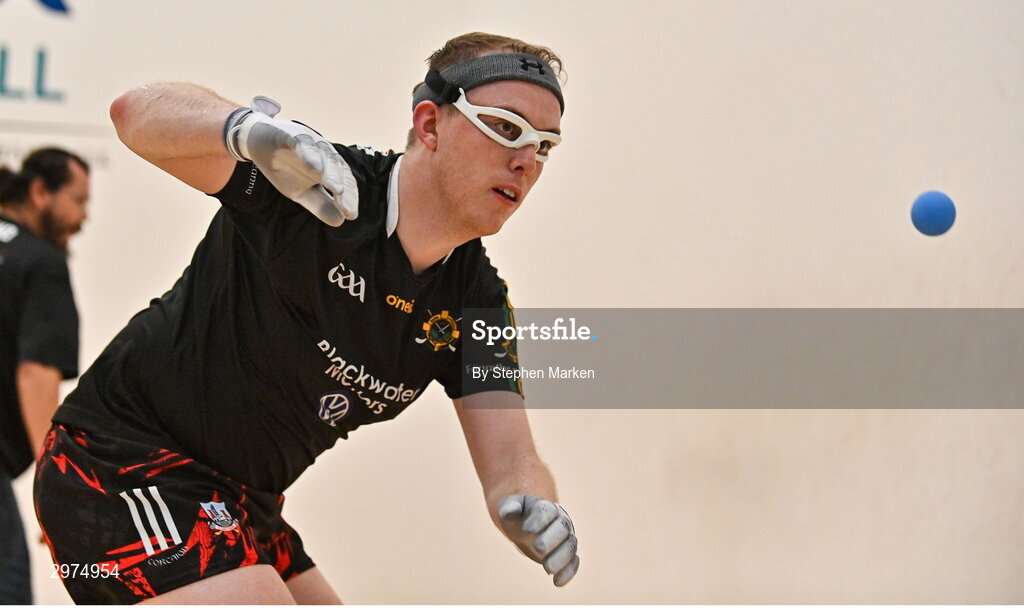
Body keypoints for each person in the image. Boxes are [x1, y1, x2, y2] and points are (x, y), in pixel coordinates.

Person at [33, 32, 580, 604]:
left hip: (244, 503)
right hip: (118, 466)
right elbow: (132, 113)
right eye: (506, 128)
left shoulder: (476, 302)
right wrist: (241, 130)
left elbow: (512, 462)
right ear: (430, 125)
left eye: (545, 146)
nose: (525, 160)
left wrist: (533, 506)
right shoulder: (313, 184)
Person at [0, 147, 90, 604]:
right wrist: (53, 485)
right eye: (78, 200)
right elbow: (36, 373)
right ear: (40, 192)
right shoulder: (39, 261)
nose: (84, 217)